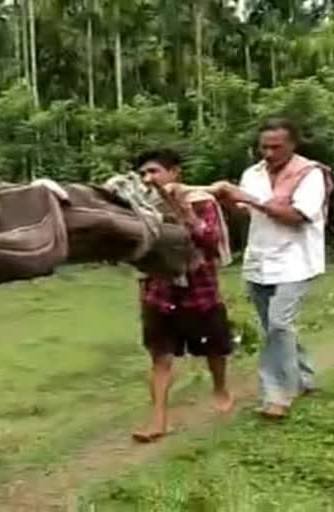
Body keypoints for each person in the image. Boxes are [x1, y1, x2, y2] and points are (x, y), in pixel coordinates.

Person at [215, 118, 332, 419]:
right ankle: (304, 377)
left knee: (279, 325)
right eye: (263, 146)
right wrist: (228, 202)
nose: (268, 152)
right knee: (276, 328)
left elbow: (296, 215)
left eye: (276, 146)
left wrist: (249, 199)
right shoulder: (252, 174)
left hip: (296, 261)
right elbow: (245, 214)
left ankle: (277, 394)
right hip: (260, 260)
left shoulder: (310, 174)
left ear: (292, 145)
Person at [133, 148, 234, 443]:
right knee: (160, 357)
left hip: (200, 291)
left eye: (153, 171)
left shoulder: (203, 202)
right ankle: (158, 419)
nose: (147, 178)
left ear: (175, 173)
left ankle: (220, 389)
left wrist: (186, 212)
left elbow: (211, 242)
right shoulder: (141, 207)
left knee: (214, 350)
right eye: (143, 174)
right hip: (159, 292)